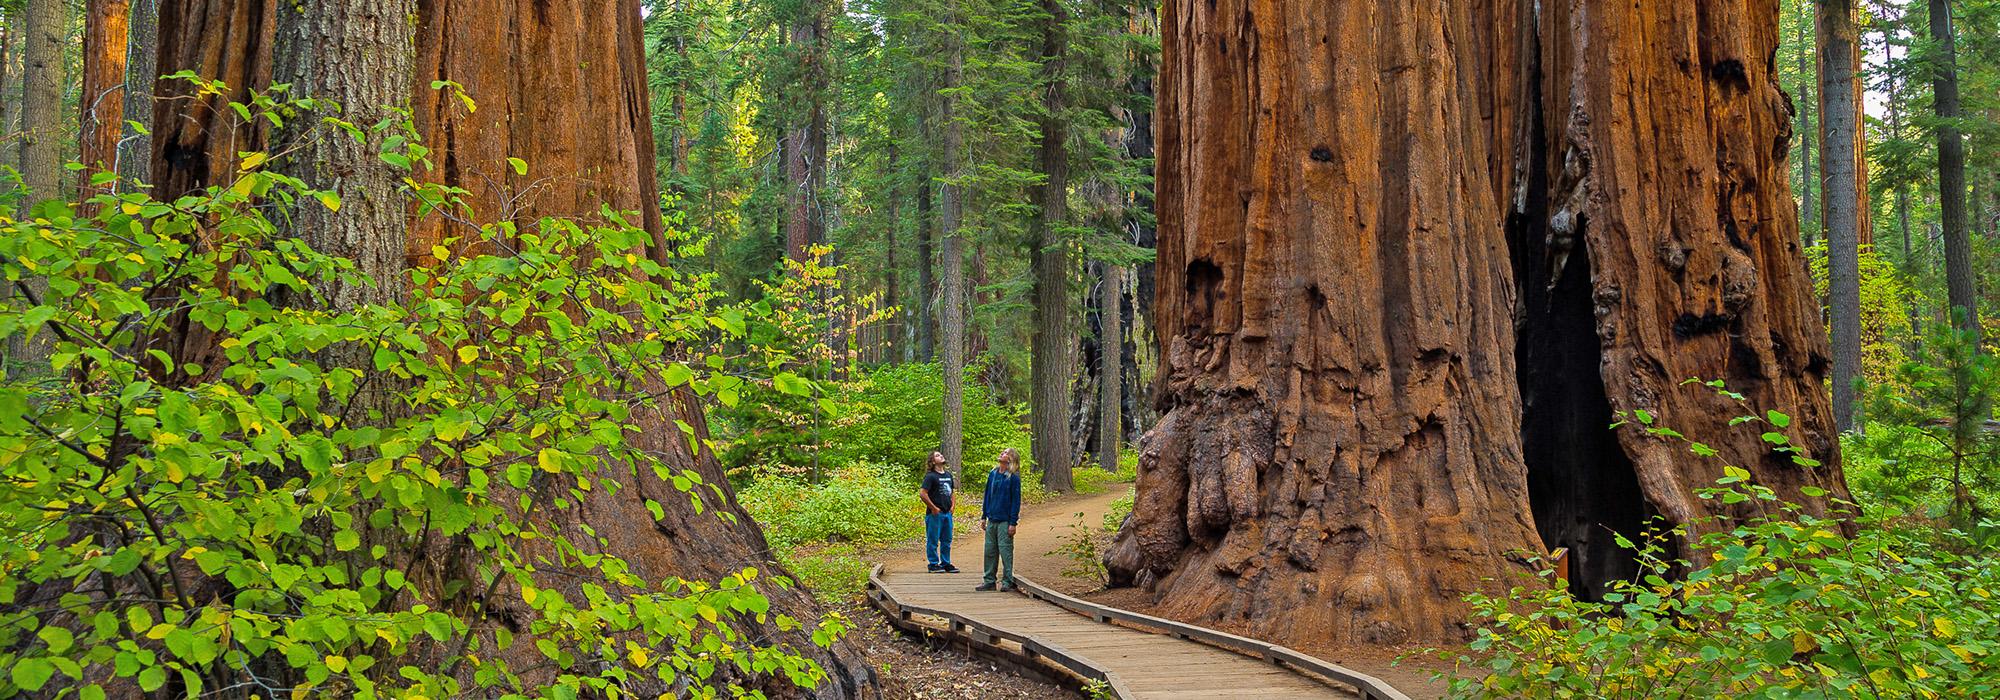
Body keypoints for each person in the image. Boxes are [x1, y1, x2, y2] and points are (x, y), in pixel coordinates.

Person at [976, 448, 1022, 592]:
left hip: (1005, 520)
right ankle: (989, 580)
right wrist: (984, 516)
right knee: (989, 550)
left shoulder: (1013, 477)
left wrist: (1013, 522)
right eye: (1002, 452)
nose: (1002, 453)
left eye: (1006, 452)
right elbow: (987, 496)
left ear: (1011, 458)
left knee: (1005, 550)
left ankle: (1007, 581)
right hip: (992, 518)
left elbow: (1016, 501)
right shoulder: (993, 474)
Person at [918, 451, 959, 573]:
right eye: (937, 455)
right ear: (932, 461)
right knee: (933, 539)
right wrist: (933, 507)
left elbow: (952, 492)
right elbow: (923, 493)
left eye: (941, 454)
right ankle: (933, 564)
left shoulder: (948, 475)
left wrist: (953, 506)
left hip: (947, 513)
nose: (941, 456)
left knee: (947, 540)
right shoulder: (931, 476)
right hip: (935, 514)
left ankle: (946, 563)